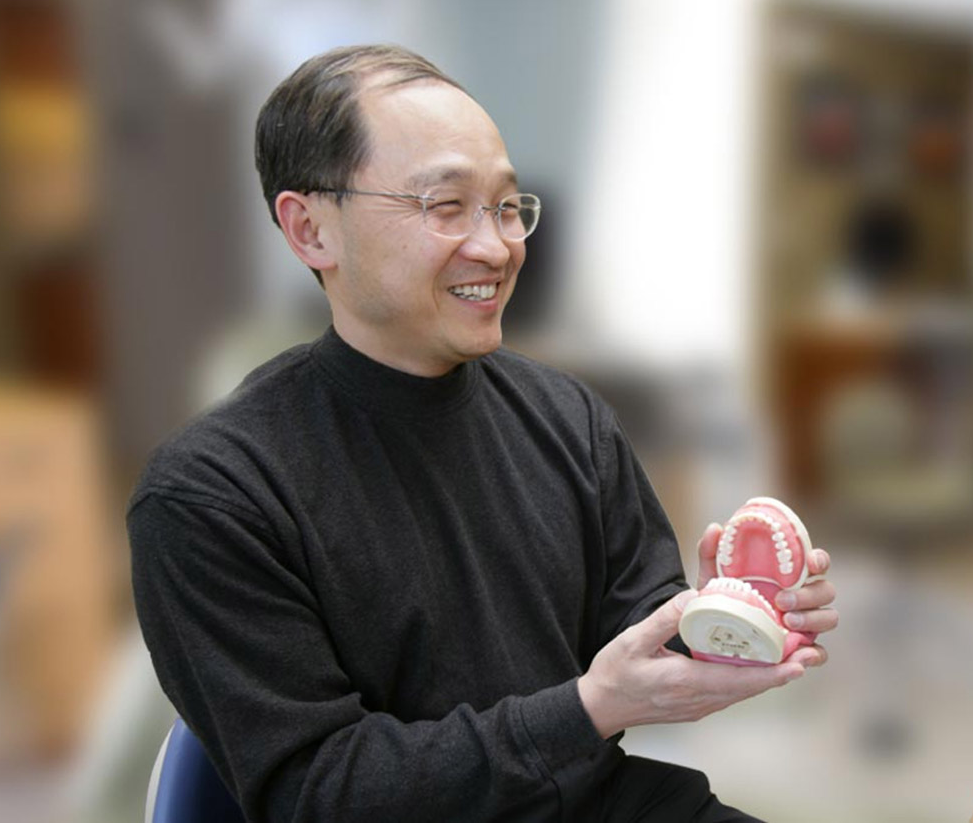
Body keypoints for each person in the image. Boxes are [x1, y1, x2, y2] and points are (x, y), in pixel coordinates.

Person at [128, 43, 838, 822]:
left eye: (507, 206)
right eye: (446, 206)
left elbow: (633, 644)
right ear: (309, 230)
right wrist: (587, 709)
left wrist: (723, 620)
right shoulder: (210, 497)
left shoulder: (568, 418)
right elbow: (319, 791)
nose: (497, 246)